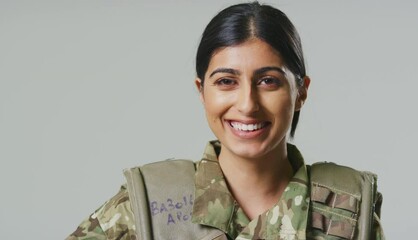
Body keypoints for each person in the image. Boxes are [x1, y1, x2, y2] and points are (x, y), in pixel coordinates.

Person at [67, 2, 384, 240]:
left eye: (268, 81)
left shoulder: (348, 207)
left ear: (301, 92)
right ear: (201, 91)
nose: (247, 105)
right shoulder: (150, 203)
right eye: (226, 81)